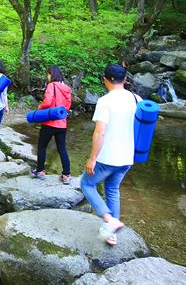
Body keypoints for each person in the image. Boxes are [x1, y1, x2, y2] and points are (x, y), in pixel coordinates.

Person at [80, 64, 138, 247]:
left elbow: (99, 133)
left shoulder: (106, 101)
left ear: (109, 79)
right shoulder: (136, 98)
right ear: (124, 79)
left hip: (108, 157)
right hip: (127, 157)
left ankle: (109, 219)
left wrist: (92, 158)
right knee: (112, 189)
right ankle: (112, 233)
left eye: (105, 78)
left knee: (86, 183)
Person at [31, 66, 73, 183]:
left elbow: (48, 102)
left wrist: (39, 108)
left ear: (51, 74)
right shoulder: (67, 88)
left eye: (48, 74)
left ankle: (40, 171)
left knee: (42, 146)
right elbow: (68, 106)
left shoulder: (51, 85)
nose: (47, 77)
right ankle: (66, 174)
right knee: (62, 149)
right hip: (62, 123)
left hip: (49, 122)